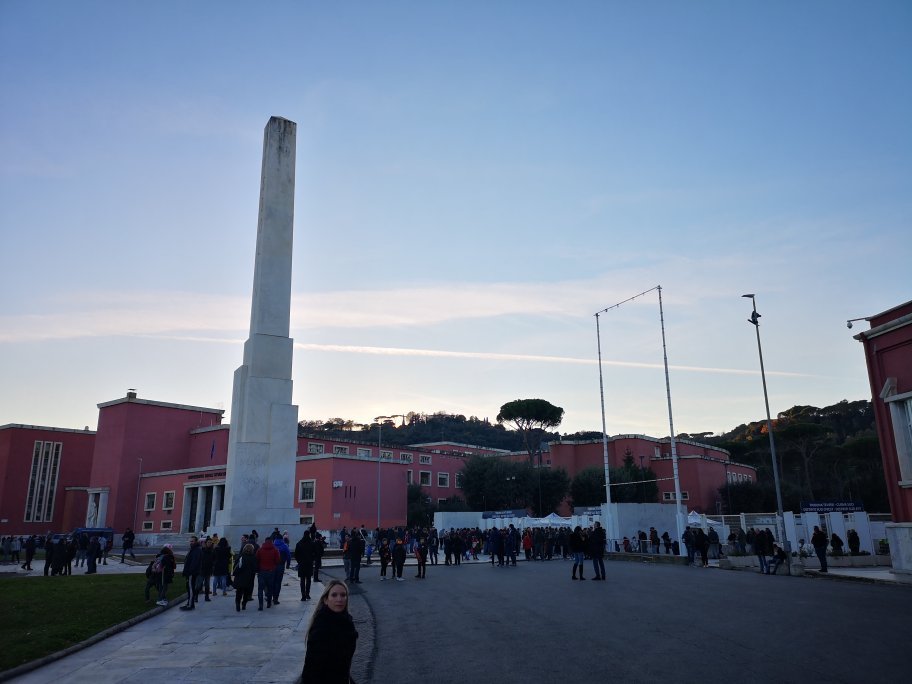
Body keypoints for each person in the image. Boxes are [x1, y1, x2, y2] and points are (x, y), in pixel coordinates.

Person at [301, 580, 358, 683]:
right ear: (326, 600)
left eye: (343, 595)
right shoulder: (321, 628)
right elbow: (312, 669)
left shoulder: (347, 623)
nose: (339, 599)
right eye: (334, 595)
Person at [255, 536, 281, 610]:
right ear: (272, 542)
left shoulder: (260, 550)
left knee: (260, 589)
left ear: (265, 541)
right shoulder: (275, 550)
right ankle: (269, 603)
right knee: (270, 588)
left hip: (261, 572)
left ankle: (260, 605)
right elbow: (278, 561)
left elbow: (256, 560)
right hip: (271, 572)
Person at [233, 543, 257, 611]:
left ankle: (237, 603)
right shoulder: (253, 557)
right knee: (246, 593)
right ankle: (244, 604)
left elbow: (235, 567)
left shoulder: (240, 556)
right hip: (248, 578)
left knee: (239, 592)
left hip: (240, 577)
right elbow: (255, 568)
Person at [180, 535, 202, 610]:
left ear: (196, 542)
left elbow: (194, 563)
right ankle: (190, 603)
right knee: (189, 588)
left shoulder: (197, 550)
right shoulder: (193, 549)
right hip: (190, 572)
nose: (191, 542)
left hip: (191, 573)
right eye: (190, 541)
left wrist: (189, 571)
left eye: (192, 541)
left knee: (191, 588)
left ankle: (190, 605)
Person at [295, 530, 315, 600]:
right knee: (309, 580)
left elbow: (296, 555)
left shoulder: (299, 543)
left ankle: (303, 595)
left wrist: (299, 561)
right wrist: (312, 560)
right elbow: (314, 553)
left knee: (302, 580)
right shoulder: (312, 543)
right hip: (309, 564)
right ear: (309, 535)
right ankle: (307, 594)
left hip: (302, 564)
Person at [272, 533, 292, 603]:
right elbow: (289, 556)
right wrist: (288, 564)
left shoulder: (273, 546)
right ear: (282, 539)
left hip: (272, 566)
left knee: (272, 581)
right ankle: (275, 598)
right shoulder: (284, 546)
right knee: (278, 582)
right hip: (281, 565)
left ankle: (270, 595)